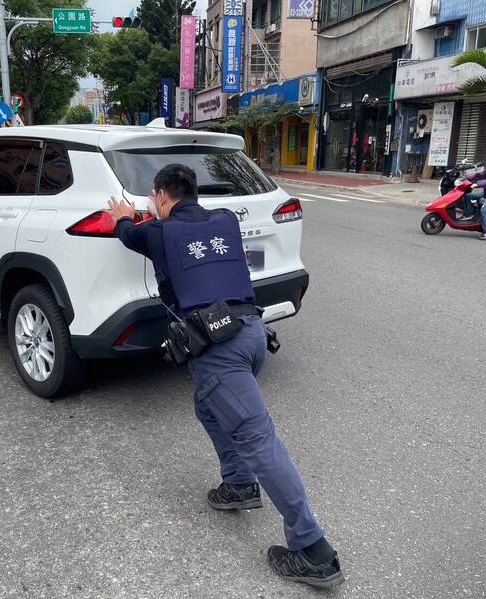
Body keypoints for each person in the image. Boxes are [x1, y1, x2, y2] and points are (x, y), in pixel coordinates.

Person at [106, 164, 344, 589]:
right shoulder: (225, 222)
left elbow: (127, 233)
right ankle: (238, 485)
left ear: (161, 196)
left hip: (218, 351)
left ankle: (313, 551)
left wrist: (125, 213)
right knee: (206, 406)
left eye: (155, 199)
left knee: (258, 439)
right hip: (252, 333)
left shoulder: (158, 234)